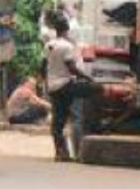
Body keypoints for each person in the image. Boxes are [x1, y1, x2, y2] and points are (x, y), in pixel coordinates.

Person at [42, 10, 100, 161]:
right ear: (66, 30)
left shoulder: (49, 45)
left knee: (58, 121)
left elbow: (43, 66)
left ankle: (60, 152)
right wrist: (88, 78)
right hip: (66, 85)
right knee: (92, 93)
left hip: (53, 87)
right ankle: (78, 151)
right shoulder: (67, 46)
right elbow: (72, 68)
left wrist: (45, 82)